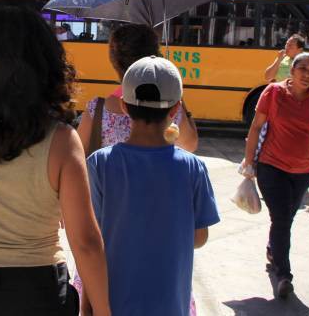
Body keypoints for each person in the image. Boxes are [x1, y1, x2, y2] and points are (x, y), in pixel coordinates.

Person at [0, 6, 110, 316]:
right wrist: (106, 311)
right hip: (37, 289)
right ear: (47, 65)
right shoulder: (62, 141)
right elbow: (85, 242)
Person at [87, 55, 220, 315]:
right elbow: (199, 236)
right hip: (171, 304)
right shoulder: (193, 168)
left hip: (113, 303)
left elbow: (91, 239)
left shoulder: (99, 164)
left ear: (124, 106)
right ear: (175, 109)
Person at [242, 52, 309, 298]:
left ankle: (274, 248)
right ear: (292, 70)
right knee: (282, 219)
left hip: (304, 172)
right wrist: (249, 161)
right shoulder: (273, 93)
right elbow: (256, 127)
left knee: (285, 220)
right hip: (271, 167)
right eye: (303, 69)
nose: (307, 74)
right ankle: (284, 275)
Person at [78, 23, 198, 155]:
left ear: (114, 61)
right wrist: (179, 97)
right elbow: (189, 145)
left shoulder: (97, 110)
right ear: (155, 55)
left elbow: (79, 159)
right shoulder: (169, 107)